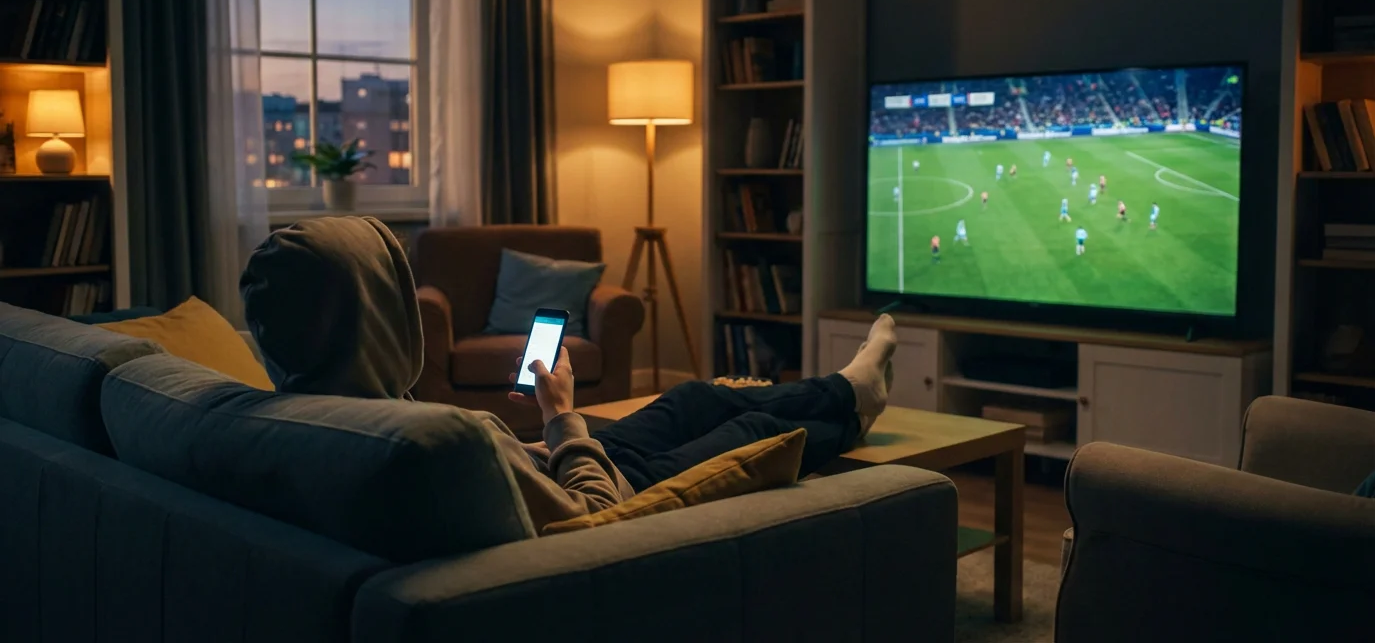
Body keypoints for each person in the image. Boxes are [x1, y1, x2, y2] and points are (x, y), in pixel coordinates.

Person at [239, 216, 901, 534]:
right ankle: (853, 397)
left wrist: (533, 444)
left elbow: (495, 465)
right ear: (378, 312)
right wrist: (560, 416)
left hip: (545, 462)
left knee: (695, 394)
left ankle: (847, 388)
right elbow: (598, 514)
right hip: (603, 483)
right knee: (756, 425)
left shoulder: (294, 419)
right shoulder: (425, 439)